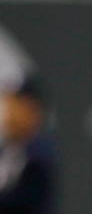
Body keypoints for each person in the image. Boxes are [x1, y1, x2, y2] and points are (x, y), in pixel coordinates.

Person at [0, 76, 56, 214]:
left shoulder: (39, 157)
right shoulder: (6, 149)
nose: (10, 112)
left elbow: (22, 202)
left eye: (20, 105)